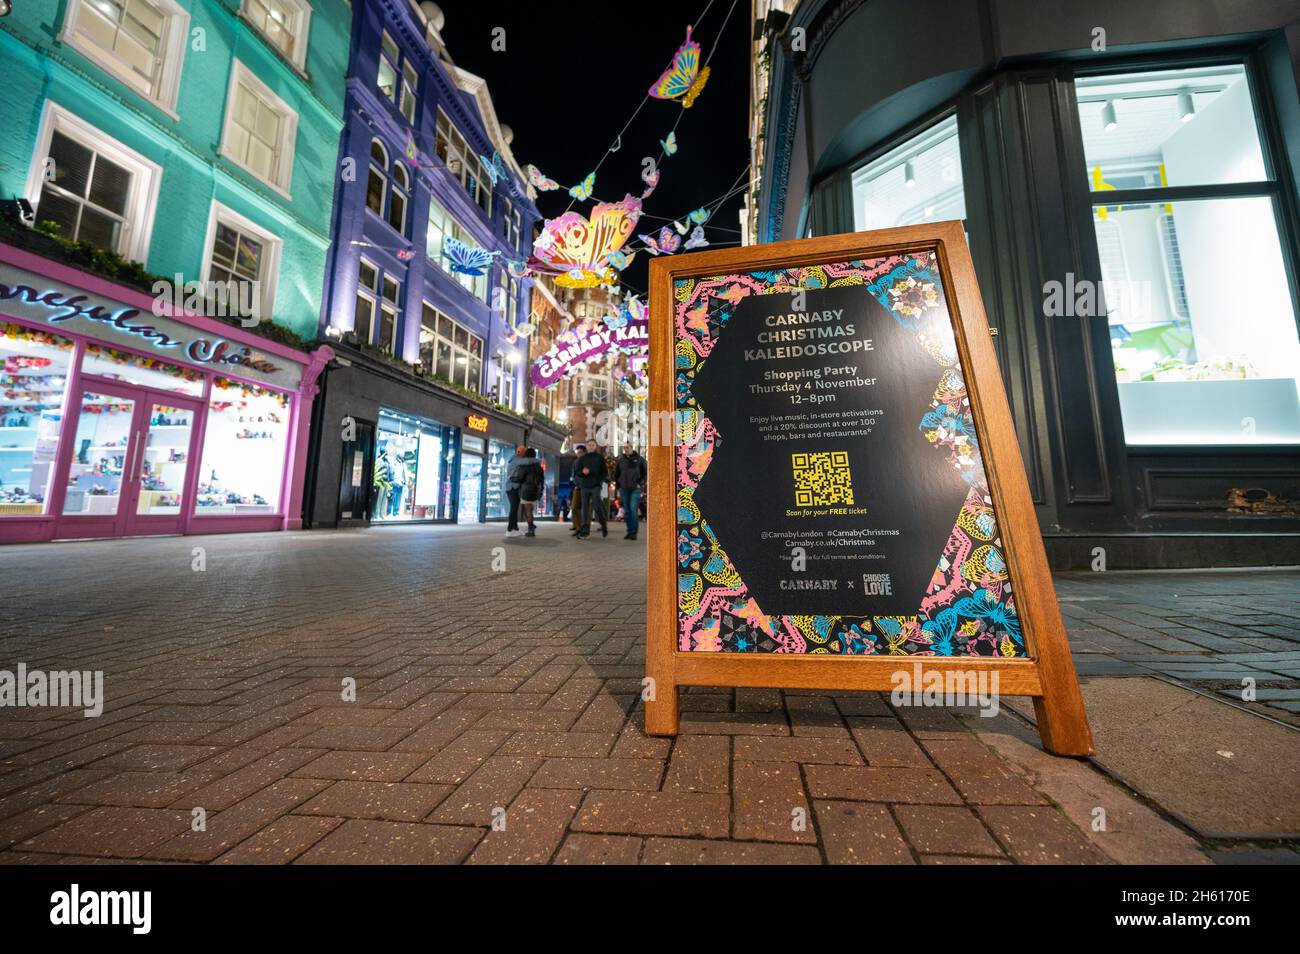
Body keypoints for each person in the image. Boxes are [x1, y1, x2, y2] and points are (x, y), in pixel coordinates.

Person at [573, 442, 608, 539]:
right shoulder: (582, 459)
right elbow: (577, 472)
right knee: (585, 509)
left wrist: (598, 479)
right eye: (589, 445)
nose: (591, 447)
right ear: (587, 447)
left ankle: (603, 524)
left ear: (595, 446)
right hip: (585, 486)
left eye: (593, 445)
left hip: (596, 486)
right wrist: (582, 472)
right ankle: (585, 532)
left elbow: (604, 472)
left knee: (597, 506)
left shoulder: (600, 458)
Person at [614, 442, 647, 540]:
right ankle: (629, 531)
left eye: (627, 447)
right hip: (624, 489)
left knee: (633, 510)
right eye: (624, 448)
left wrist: (641, 483)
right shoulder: (621, 460)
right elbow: (617, 474)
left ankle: (633, 533)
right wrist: (618, 487)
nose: (626, 449)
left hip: (635, 489)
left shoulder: (640, 460)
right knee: (627, 511)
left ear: (632, 448)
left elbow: (645, 473)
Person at [517, 448, 543, 536]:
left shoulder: (525, 465)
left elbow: (520, 478)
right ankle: (531, 526)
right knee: (529, 509)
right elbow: (542, 479)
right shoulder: (538, 466)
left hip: (526, 490)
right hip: (535, 489)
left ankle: (531, 528)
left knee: (527, 510)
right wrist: (541, 491)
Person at [504, 445, 529, 536]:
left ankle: (515, 528)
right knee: (514, 509)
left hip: (509, 487)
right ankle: (510, 530)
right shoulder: (519, 460)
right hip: (513, 487)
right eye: (524, 452)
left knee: (514, 508)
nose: (525, 454)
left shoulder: (512, 459)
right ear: (521, 452)